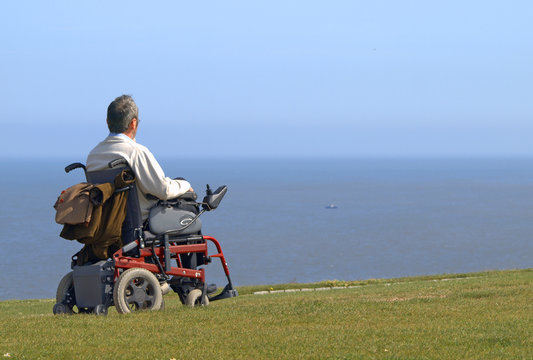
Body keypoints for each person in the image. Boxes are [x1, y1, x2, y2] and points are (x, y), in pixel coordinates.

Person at [86, 95, 193, 221]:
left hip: (107, 225)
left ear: (107, 122)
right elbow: (163, 190)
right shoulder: (135, 152)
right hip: (139, 224)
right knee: (190, 210)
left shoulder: (93, 155)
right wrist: (185, 184)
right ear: (133, 123)